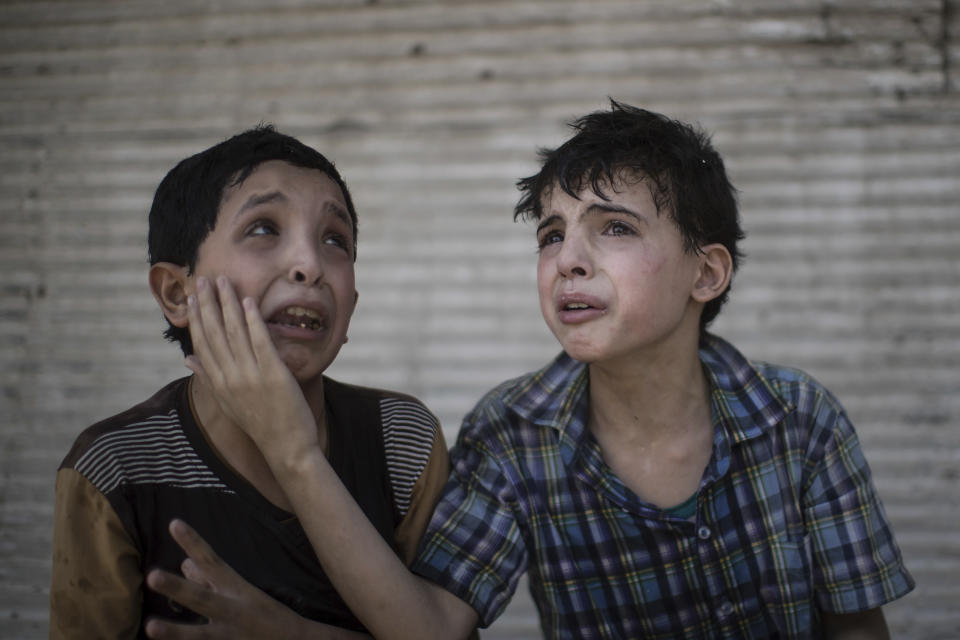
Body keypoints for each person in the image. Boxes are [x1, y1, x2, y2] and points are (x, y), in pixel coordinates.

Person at [145, 102, 914, 639]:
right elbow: (432, 626)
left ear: (704, 274)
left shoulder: (799, 418)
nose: (569, 259)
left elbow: (856, 624)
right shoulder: (512, 436)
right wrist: (292, 448)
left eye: (613, 228)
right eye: (552, 235)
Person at [49, 126, 451, 638]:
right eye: (264, 228)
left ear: (352, 305)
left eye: (335, 239)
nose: (309, 265)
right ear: (176, 293)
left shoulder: (402, 440)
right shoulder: (115, 468)